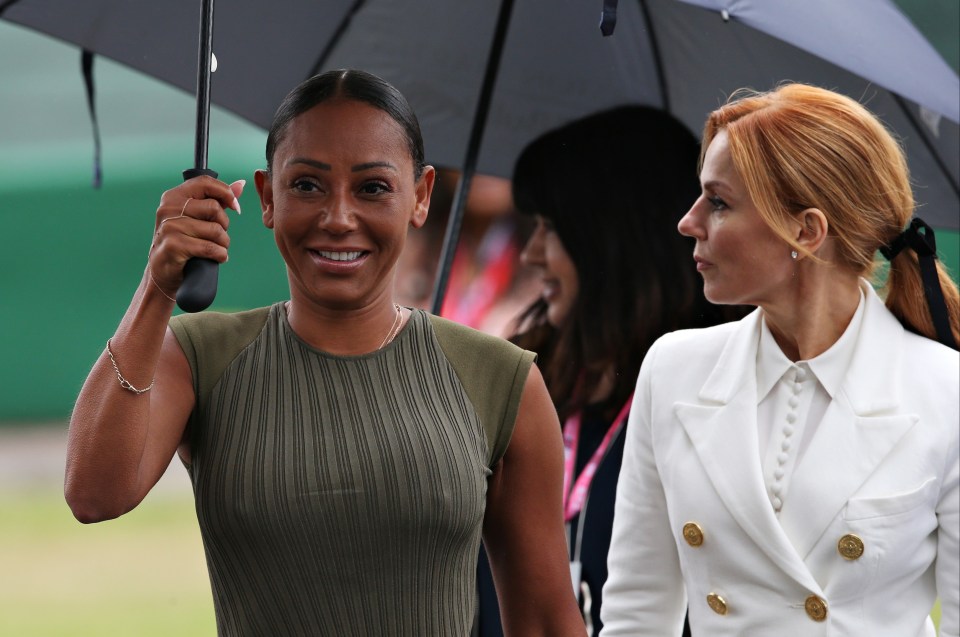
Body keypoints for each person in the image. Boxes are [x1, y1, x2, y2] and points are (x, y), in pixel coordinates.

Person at [64, 69, 586, 636]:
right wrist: (157, 286)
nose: (338, 218)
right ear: (266, 197)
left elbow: (544, 622)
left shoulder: (500, 377)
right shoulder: (199, 356)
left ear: (422, 195)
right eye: (308, 185)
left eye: (373, 188)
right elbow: (95, 494)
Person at [601, 83, 960, 636]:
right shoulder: (673, 368)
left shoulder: (945, 390)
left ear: (806, 231)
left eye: (718, 202)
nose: (687, 222)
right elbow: (637, 615)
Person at [475, 106, 746, 636]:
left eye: (550, 229)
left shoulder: (717, 398)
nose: (530, 254)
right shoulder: (518, 382)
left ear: (612, 240)